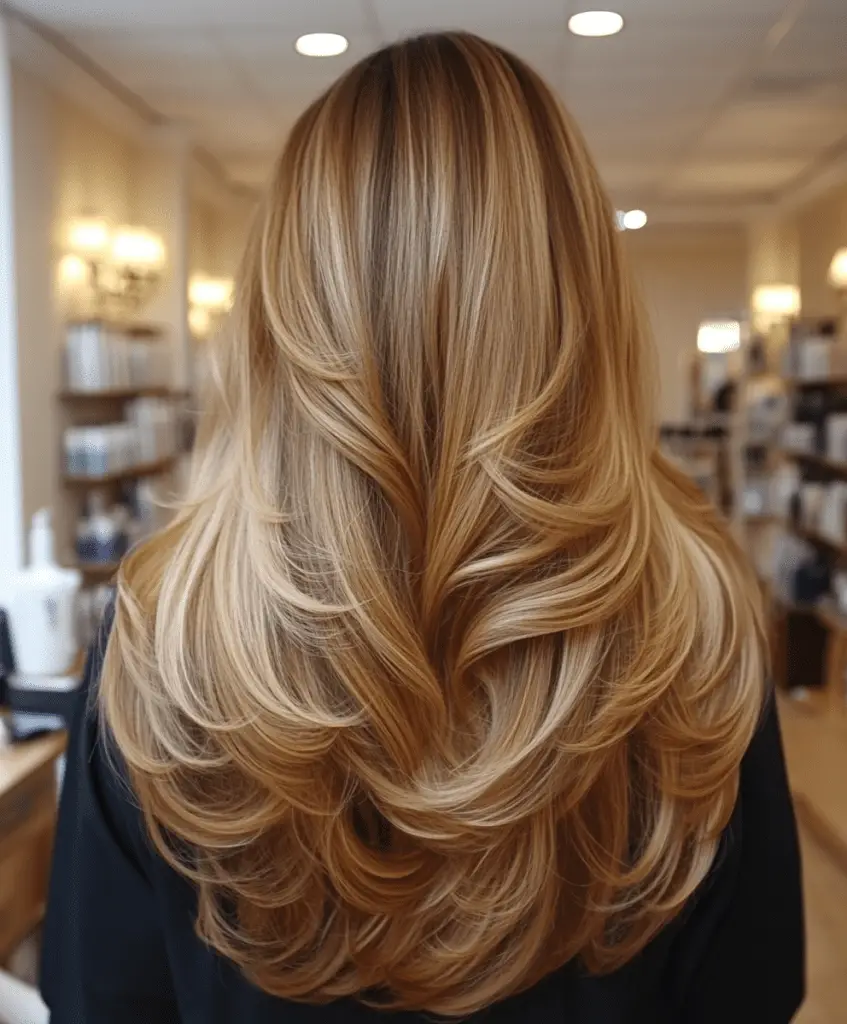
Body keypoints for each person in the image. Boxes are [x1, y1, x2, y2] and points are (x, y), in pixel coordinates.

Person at [42, 32, 804, 1024]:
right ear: (581, 305)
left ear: (287, 307)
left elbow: (103, 1000)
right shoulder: (696, 643)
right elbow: (750, 995)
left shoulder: (162, 649)